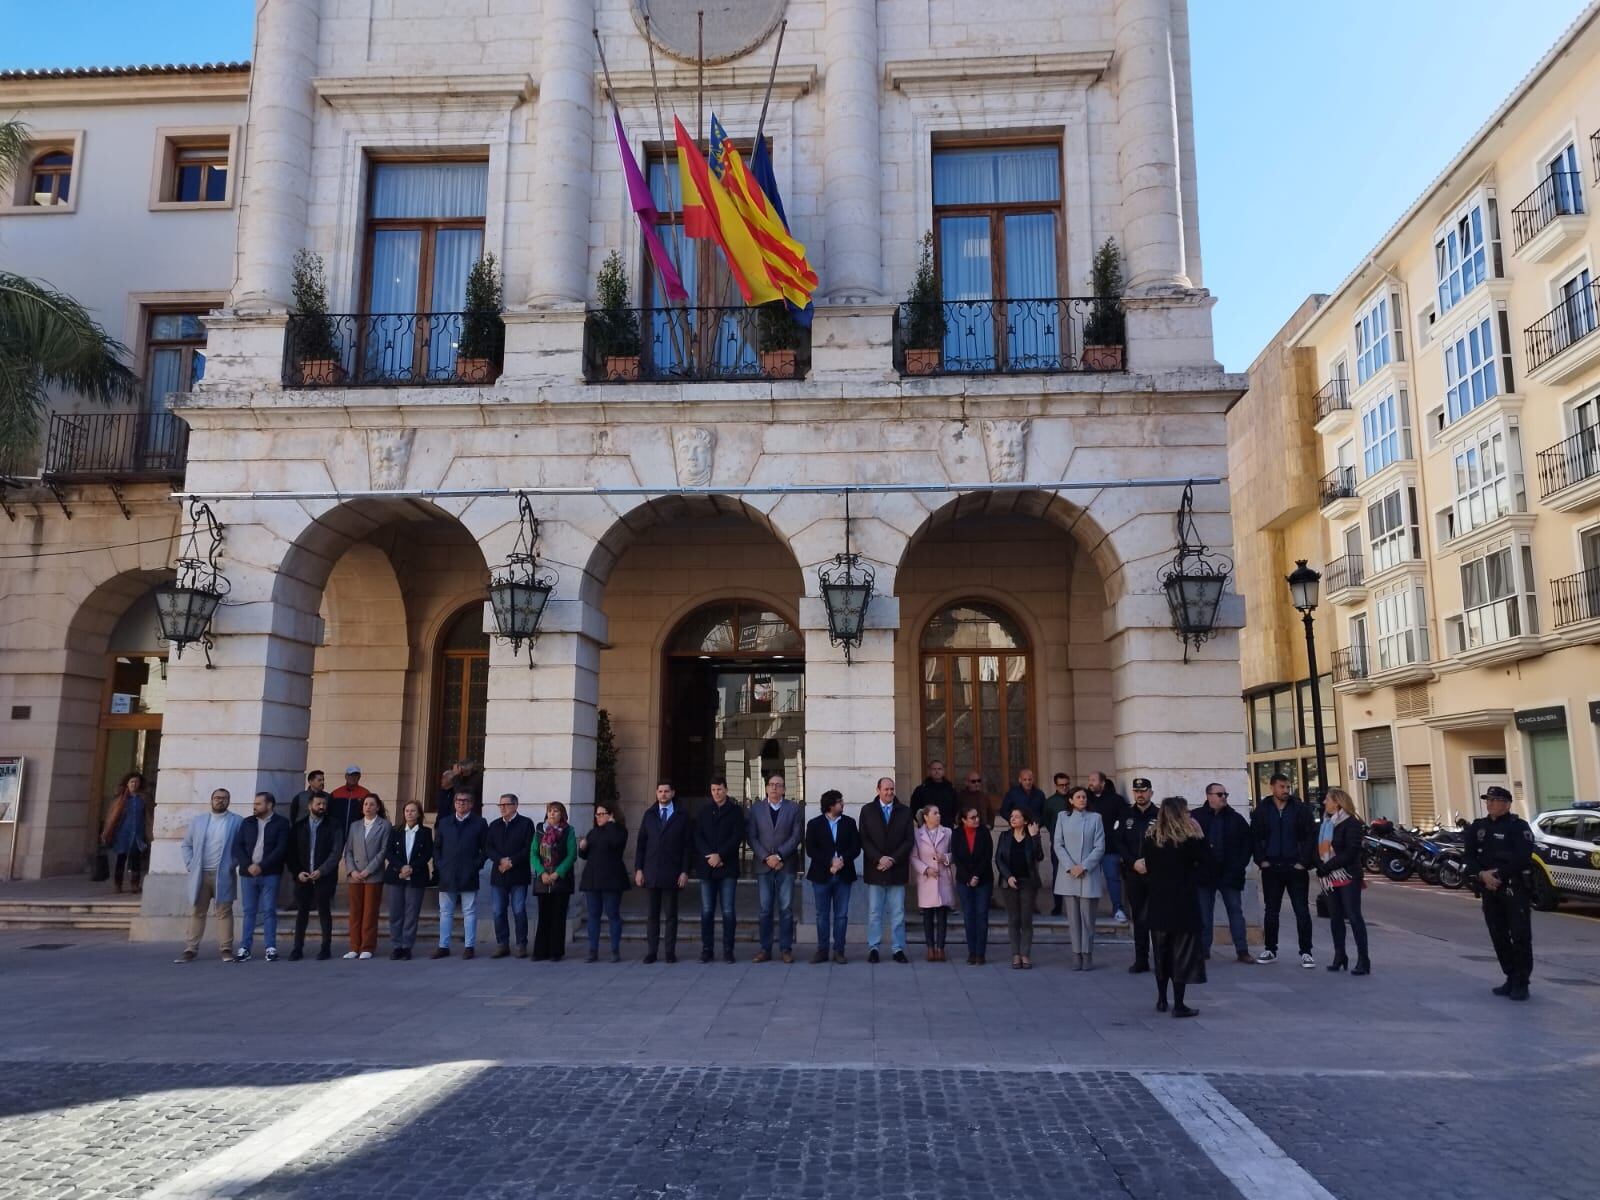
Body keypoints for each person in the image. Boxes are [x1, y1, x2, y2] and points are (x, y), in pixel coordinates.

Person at [1133, 796, 1207, 1018]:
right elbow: (1206, 863)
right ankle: (1179, 1004)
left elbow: (1147, 868)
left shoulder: (1151, 839)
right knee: (1181, 955)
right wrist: (1201, 834)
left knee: (1161, 953)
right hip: (1183, 904)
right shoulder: (1189, 840)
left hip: (1158, 903)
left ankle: (1162, 999)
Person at [1464, 785, 1535, 1001]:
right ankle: (1510, 976)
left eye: (1495, 800)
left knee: (1520, 935)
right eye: (1488, 800)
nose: (1490, 804)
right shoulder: (1479, 827)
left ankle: (1522, 982)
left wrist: (1498, 874)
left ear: (1506, 804)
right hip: (1489, 888)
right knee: (1498, 934)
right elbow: (1468, 856)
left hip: (1513, 888)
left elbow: (1524, 857)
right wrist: (1482, 875)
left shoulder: (1518, 826)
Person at [1251, 772, 1317, 967]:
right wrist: (1261, 860)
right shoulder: (1263, 810)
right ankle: (1270, 949)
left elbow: (1310, 836)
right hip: (1272, 867)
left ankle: (1306, 951)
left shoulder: (1300, 809)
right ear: (1272, 788)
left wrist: (1303, 862)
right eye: (1282, 787)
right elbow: (1255, 836)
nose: (1286, 790)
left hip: (1295, 867)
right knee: (1271, 911)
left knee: (1302, 910)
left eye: (1288, 787)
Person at [175, 787, 242, 963]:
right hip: (200, 874)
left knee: (224, 911)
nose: (221, 801)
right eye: (218, 798)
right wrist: (190, 864)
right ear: (211, 800)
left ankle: (226, 948)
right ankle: (190, 948)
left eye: (225, 798)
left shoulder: (236, 821)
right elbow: (186, 845)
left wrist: (232, 864)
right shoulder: (199, 821)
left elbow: (242, 846)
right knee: (198, 911)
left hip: (223, 874)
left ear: (229, 801)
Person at [1191, 782, 1253, 965]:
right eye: (1219, 794)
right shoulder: (1196, 817)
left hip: (1229, 873)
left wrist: (1239, 865)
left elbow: (1247, 843)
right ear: (1208, 795)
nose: (1224, 797)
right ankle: (1203, 950)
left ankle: (1242, 950)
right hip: (1204, 873)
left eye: (1225, 794)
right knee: (1204, 913)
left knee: (1235, 911)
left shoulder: (1235, 818)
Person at [747, 772, 803, 964]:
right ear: (767, 787)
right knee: (765, 909)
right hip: (764, 867)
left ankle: (786, 949)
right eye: (771, 784)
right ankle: (765, 949)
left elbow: (796, 837)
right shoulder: (756, 809)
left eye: (778, 785)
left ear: (784, 789)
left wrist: (778, 855)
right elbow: (752, 837)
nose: (774, 788)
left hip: (785, 865)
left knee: (786, 909)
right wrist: (766, 857)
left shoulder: (794, 809)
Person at [635, 781, 693, 963]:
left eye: (667, 791)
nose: (663, 794)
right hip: (651, 872)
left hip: (672, 872)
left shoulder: (682, 815)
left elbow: (687, 847)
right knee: (652, 915)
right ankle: (652, 951)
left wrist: (685, 871)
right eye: (660, 791)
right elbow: (641, 844)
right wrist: (638, 869)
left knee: (671, 915)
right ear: (656, 793)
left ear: (673, 793)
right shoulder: (649, 815)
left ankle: (669, 951)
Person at [859, 776, 914, 964]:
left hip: (896, 870)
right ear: (878, 790)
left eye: (892, 789)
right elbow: (864, 839)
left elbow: (909, 840)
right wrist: (878, 858)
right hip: (876, 870)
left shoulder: (905, 812)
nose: (890, 792)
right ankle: (873, 948)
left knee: (898, 913)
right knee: (875, 913)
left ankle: (898, 948)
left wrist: (892, 859)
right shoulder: (867, 811)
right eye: (886, 789)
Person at [1316, 787, 1370, 976]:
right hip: (1330, 878)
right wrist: (1320, 865)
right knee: (1335, 918)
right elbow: (1321, 849)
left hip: (1347, 876)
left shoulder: (1351, 824)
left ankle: (1363, 959)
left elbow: (1351, 852)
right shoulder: (1326, 823)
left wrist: (1328, 866)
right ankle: (1340, 956)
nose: (1324, 803)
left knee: (1354, 917)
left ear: (1337, 802)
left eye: (1327, 800)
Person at [1053, 785, 1105, 971]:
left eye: (1084, 796)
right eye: (1078, 796)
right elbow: (1058, 844)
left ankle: (1087, 953)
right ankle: (1076, 953)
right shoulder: (1062, 817)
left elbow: (1100, 846)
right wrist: (1071, 867)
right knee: (1073, 919)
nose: (1082, 799)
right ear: (1071, 800)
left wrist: (1084, 866)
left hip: (1088, 873)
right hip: (1069, 874)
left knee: (1088, 918)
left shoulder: (1095, 818)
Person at [232, 791, 289, 962]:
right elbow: (238, 846)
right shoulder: (247, 822)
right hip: (247, 874)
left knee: (269, 911)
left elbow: (281, 849)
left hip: (270, 873)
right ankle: (245, 948)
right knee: (249, 911)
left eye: (258, 804)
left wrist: (261, 866)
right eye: (254, 803)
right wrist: (248, 865)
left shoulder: (281, 823)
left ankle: (270, 947)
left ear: (269, 805)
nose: (254, 807)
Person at [804, 790, 859, 963]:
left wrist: (842, 860)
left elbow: (856, 846)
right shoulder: (814, 824)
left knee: (841, 915)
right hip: (821, 876)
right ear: (830, 805)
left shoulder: (849, 823)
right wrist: (830, 861)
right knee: (822, 915)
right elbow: (811, 849)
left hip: (844, 875)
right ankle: (822, 950)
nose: (842, 804)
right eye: (839, 802)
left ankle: (839, 951)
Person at [433, 790, 488, 959]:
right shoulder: (444, 822)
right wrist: (440, 866)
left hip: (468, 872)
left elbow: (485, 849)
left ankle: (469, 946)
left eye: (465, 801)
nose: (461, 803)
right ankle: (443, 946)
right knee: (445, 911)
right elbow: (437, 848)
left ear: (471, 804)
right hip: (447, 873)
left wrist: (476, 865)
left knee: (469, 911)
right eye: (458, 800)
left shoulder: (479, 823)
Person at [694, 777, 744, 964]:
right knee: (707, 911)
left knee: (728, 911)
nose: (716, 793)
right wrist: (710, 855)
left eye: (720, 789)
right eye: (713, 789)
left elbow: (737, 836)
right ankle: (707, 949)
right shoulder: (704, 811)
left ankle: (728, 950)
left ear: (726, 789)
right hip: (707, 868)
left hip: (727, 868)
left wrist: (720, 855)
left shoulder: (735, 811)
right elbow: (697, 835)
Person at [288, 792, 343, 961]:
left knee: (324, 911)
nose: (322, 807)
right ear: (309, 805)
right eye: (318, 804)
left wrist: (322, 871)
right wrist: (298, 872)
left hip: (324, 877)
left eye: (324, 804)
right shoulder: (299, 826)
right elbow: (291, 854)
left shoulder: (334, 825)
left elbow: (336, 852)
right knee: (302, 912)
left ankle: (325, 947)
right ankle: (297, 948)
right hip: (303, 877)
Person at [485, 793, 535, 958]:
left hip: (518, 874)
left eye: (506, 805)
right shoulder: (494, 825)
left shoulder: (526, 824)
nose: (503, 808)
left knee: (519, 910)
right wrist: (500, 860)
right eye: (500, 805)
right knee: (498, 911)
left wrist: (511, 861)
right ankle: (502, 944)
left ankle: (521, 944)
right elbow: (488, 847)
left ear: (515, 805)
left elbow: (528, 848)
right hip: (499, 874)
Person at [579, 801, 629, 962]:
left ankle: (615, 950)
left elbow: (616, 843)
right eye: (597, 814)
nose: (598, 817)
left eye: (602, 814)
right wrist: (582, 847)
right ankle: (593, 950)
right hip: (592, 878)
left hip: (612, 878)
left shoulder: (619, 831)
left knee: (613, 914)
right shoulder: (593, 832)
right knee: (593, 915)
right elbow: (584, 855)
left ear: (611, 815)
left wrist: (611, 825)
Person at [1119, 778, 1161, 972]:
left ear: (1151, 792)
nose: (1140, 795)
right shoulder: (1126, 814)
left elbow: (1165, 844)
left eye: (1143, 791)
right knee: (1139, 918)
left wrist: (1149, 862)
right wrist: (1133, 862)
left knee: (1158, 919)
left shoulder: (1161, 815)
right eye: (1136, 791)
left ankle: (1161, 958)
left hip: (1155, 874)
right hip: (1133, 874)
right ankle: (1141, 959)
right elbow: (1119, 843)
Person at [342, 793, 390, 960]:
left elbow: (383, 851)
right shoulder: (355, 825)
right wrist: (352, 871)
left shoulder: (384, 825)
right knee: (355, 912)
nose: (367, 807)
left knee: (370, 912)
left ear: (378, 807)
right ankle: (354, 946)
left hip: (373, 875)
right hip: (355, 875)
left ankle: (367, 946)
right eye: (365, 804)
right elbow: (348, 850)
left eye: (371, 804)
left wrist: (368, 870)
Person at [383, 799, 433, 960]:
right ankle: (396, 945)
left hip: (416, 875)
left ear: (419, 813)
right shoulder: (395, 830)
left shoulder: (425, 832)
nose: (409, 813)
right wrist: (401, 867)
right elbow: (389, 852)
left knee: (411, 913)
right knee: (396, 912)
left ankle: (407, 946)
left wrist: (412, 867)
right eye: (407, 811)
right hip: (396, 875)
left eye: (413, 811)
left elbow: (427, 853)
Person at [995, 807, 1044, 969]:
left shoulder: (1032, 837)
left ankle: (1025, 954)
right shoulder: (1005, 836)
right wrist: (1008, 876)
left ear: (1025, 820)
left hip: (1028, 882)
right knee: (1014, 919)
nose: (1013, 819)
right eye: (1011, 816)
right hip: (1009, 882)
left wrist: (1035, 836)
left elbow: (1039, 856)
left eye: (1017, 816)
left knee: (1026, 919)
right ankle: (1015, 954)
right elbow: (999, 859)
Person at [532, 801, 578, 961]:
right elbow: (534, 854)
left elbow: (572, 855)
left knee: (558, 915)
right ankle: (540, 951)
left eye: (556, 811)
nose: (552, 814)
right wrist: (542, 873)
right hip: (543, 879)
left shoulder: (568, 831)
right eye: (550, 811)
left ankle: (555, 952)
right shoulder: (539, 830)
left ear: (562, 814)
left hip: (560, 879)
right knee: (544, 915)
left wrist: (557, 873)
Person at [949, 804, 994, 964]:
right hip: (964, 880)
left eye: (977, 817)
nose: (976, 820)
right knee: (968, 916)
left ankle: (981, 953)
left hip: (983, 879)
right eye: (972, 817)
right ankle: (972, 951)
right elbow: (957, 858)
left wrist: (976, 875)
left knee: (981, 915)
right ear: (963, 820)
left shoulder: (984, 832)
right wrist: (968, 877)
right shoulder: (957, 834)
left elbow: (987, 855)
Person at [911, 804, 955, 961]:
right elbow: (914, 857)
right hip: (927, 879)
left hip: (943, 877)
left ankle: (941, 947)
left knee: (942, 914)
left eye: (939, 813)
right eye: (935, 813)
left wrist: (946, 858)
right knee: (928, 915)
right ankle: (930, 948)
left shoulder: (947, 832)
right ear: (926, 816)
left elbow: (954, 853)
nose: (938, 816)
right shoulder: (918, 834)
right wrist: (925, 870)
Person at [1087, 770, 1129, 922]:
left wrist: (1117, 838)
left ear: (1102, 783)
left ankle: (1118, 908)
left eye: (1093, 780)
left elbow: (1124, 821)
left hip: (1110, 848)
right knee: (1088, 880)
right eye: (1089, 780)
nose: (1090, 783)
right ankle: (1088, 911)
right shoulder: (1085, 799)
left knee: (1113, 878)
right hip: (1089, 850)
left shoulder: (1116, 800)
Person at [102, 771, 150, 894]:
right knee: (121, 859)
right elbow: (112, 816)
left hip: (137, 834)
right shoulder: (120, 799)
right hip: (122, 834)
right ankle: (118, 885)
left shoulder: (142, 799)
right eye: (132, 782)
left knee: (135, 860)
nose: (134, 784)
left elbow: (147, 817)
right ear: (127, 784)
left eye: (136, 782)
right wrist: (107, 831)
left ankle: (135, 884)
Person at [1042, 773, 1072, 915]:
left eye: (1067, 784)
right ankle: (1057, 905)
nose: (1065, 787)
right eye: (1061, 785)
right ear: (1056, 785)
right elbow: (1047, 821)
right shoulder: (1050, 802)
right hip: (1058, 844)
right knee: (1057, 874)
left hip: (1075, 843)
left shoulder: (1075, 798)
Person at [910, 760, 959, 830]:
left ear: (943, 771)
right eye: (934, 769)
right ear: (929, 771)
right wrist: (922, 823)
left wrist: (954, 822)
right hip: (927, 828)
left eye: (939, 769)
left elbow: (956, 808)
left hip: (947, 827)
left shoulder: (950, 789)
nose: (937, 771)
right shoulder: (921, 790)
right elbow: (915, 809)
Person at [329, 767, 371, 839]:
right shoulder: (336, 793)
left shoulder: (365, 793)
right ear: (346, 776)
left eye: (356, 775)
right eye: (351, 775)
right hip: (337, 833)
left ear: (359, 777)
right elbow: (329, 813)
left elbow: (369, 814)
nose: (353, 777)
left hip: (357, 834)